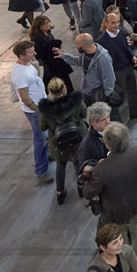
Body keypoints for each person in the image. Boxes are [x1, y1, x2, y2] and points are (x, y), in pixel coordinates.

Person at [87, 121, 137, 265]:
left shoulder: (101, 169)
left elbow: (89, 192)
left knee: (120, 237)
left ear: (107, 143)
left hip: (115, 211)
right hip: (136, 202)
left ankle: (126, 264)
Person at [38, 77, 87, 205]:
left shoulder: (46, 110)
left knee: (60, 166)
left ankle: (60, 193)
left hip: (58, 144)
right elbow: (84, 114)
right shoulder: (76, 102)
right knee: (78, 163)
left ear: (49, 91)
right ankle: (81, 187)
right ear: (64, 88)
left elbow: (42, 127)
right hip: (77, 139)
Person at [8, 40, 51, 184]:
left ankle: (48, 156)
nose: (35, 53)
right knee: (40, 140)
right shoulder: (20, 74)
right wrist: (40, 110)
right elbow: (25, 98)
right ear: (22, 55)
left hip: (41, 105)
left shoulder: (28, 64)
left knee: (45, 136)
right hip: (35, 112)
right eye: (31, 52)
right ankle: (41, 171)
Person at [97, 12, 137, 122]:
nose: (116, 25)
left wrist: (132, 57)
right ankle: (117, 121)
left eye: (118, 22)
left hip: (128, 66)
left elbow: (126, 48)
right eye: (113, 23)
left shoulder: (121, 33)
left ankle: (134, 113)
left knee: (132, 91)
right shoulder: (101, 41)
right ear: (106, 23)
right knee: (118, 97)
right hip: (116, 71)